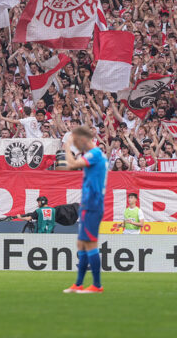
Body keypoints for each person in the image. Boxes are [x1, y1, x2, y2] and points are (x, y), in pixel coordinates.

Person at [60, 125, 107, 294]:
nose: (77, 147)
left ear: (83, 140)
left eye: (77, 143)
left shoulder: (94, 154)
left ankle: (97, 285)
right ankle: (78, 283)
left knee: (90, 243)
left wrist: (67, 145)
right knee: (82, 243)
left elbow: (71, 164)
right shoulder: (94, 155)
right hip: (88, 203)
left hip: (93, 203)